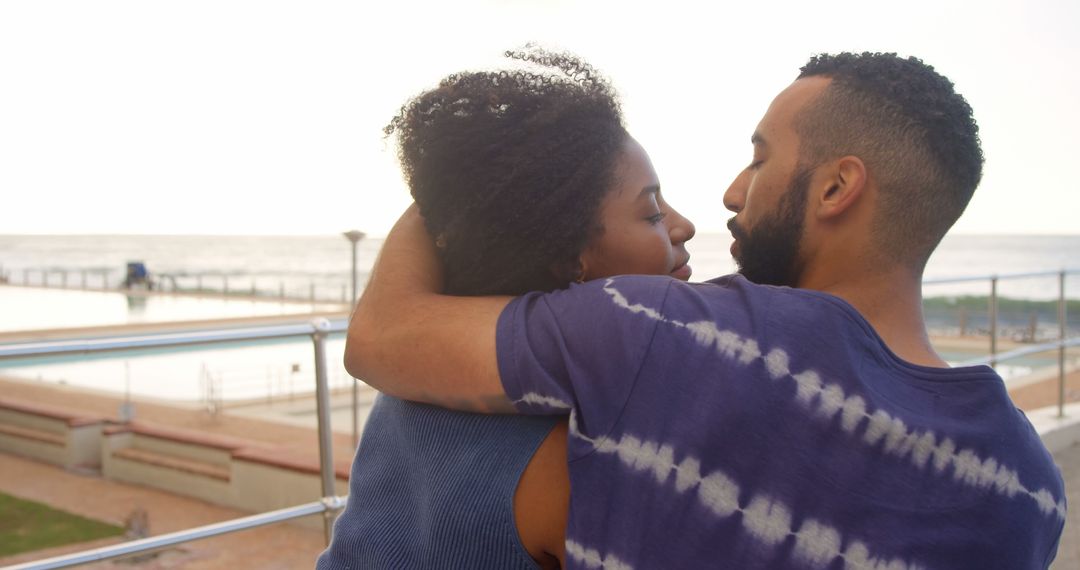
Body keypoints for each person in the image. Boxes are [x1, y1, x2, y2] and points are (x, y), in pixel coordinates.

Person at [346, 52, 1066, 569]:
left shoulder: (660, 335)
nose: (729, 192)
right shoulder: (1028, 485)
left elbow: (384, 336)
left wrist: (467, 189)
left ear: (835, 187)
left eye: (759, 160)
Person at [318, 48, 694, 569]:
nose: (684, 226)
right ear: (570, 257)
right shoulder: (580, 452)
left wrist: (466, 185)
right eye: (652, 212)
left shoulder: (412, 380)